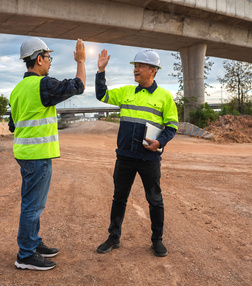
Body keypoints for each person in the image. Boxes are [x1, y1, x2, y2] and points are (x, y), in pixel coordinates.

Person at [9, 37, 86, 270]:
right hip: (37, 155)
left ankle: (33, 242)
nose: (50, 62)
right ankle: (25, 255)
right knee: (33, 206)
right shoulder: (43, 85)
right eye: (48, 58)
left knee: (30, 202)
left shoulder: (17, 90)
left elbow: (13, 126)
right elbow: (78, 86)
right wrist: (81, 61)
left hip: (25, 154)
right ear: (39, 59)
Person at [95, 48, 178, 257]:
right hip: (124, 156)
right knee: (119, 198)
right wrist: (101, 71)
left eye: (140, 66)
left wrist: (159, 142)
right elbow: (101, 94)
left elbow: (172, 127)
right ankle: (114, 237)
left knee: (155, 200)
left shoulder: (165, 97)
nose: (136, 70)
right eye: (135, 66)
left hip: (149, 158)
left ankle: (157, 240)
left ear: (153, 70)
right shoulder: (125, 92)